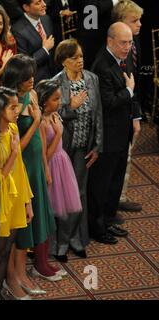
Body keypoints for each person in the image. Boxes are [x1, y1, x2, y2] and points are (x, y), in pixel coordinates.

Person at [2, 54, 61, 282]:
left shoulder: (33, 94)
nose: (32, 80)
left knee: (42, 214)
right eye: (27, 77)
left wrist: (45, 165)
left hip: (37, 163)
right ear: (16, 78)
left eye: (33, 75)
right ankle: (20, 272)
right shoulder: (11, 102)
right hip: (22, 166)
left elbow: (40, 138)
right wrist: (36, 121)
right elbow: (17, 145)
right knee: (26, 219)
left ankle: (41, 262)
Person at [88, 22, 138, 244]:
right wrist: (128, 91)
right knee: (101, 183)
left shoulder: (120, 60)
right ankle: (97, 228)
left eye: (130, 42)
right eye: (123, 42)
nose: (128, 47)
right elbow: (108, 102)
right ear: (110, 41)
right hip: (108, 136)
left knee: (115, 181)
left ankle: (108, 220)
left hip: (121, 133)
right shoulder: (102, 66)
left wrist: (134, 116)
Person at [52, 38, 103, 257]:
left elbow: (98, 114)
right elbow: (52, 117)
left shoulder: (92, 79)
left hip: (84, 147)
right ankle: (61, 242)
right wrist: (70, 107)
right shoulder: (54, 84)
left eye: (81, 56)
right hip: (63, 149)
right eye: (75, 58)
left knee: (80, 194)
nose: (80, 61)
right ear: (64, 61)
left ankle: (76, 238)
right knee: (64, 194)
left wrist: (98, 145)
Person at [0, 87, 34, 300]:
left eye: (18, 105)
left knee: (7, 250)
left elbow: (21, 169)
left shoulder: (14, 128)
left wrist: (28, 201)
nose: (18, 110)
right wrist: (15, 151)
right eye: (12, 106)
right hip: (1, 201)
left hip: (17, 197)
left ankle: (2, 289)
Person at [37, 79, 83, 262]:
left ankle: (62, 244)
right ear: (44, 101)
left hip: (62, 162)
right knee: (51, 210)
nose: (59, 102)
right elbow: (44, 155)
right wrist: (57, 134)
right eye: (55, 99)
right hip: (50, 166)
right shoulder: (41, 122)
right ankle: (49, 249)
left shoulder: (55, 116)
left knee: (64, 208)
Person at [112, 0, 144, 213]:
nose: (140, 24)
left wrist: (136, 116)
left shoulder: (135, 44)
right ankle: (114, 200)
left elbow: (136, 82)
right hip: (117, 112)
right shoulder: (115, 53)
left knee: (127, 158)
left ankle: (120, 196)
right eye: (134, 20)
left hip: (130, 108)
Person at [11, 0, 56, 83]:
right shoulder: (18, 30)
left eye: (43, 1)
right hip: (36, 82)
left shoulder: (46, 19)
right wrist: (45, 50)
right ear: (26, 7)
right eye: (38, 3)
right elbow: (25, 64)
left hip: (54, 76)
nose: (44, 4)